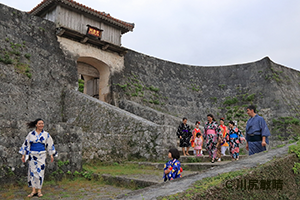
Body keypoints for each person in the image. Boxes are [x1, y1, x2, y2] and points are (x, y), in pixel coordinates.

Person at [19, 118, 57, 198]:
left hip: (42, 155)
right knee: (32, 172)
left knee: (40, 172)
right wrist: (23, 155)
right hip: (32, 156)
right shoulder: (31, 134)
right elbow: (26, 144)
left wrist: (51, 154)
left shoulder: (46, 134)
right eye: (39, 123)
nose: (41, 125)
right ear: (36, 125)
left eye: (42, 123)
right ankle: (33, 191)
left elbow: (50, 144)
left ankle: (39, 191)